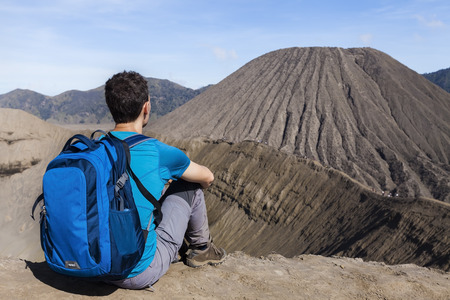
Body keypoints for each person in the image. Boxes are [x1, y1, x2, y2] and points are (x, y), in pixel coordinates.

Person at [104, 70, 226, 290]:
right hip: (136, 270)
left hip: (93, 261)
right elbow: (208, 177)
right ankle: (201, 250)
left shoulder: (96, 149)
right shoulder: (158, 151)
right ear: (146, 107)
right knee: (189, 186)